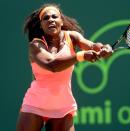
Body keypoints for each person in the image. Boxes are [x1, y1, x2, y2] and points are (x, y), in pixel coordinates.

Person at [16, 3, 113, 131]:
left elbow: (93, 46)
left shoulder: (72, 37)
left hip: (62, 106)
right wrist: (81, 56)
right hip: (35, 105)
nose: (50, 19)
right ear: (41, 25)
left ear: (61, 21)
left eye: (54, 16)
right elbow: (52, 65)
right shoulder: (35, 46)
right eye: (46, 18)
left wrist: (104, 48)